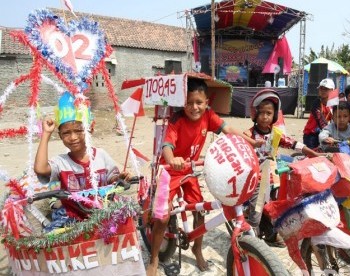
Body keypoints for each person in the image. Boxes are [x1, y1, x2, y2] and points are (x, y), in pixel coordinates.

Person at [147, 78, 261, 275]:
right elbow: (167, 146)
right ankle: (155, 257)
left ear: (207, 102)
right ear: (183, 103)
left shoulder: (208, 115)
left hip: (191, 170)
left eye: (199, 102)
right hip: (172, 170)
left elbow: (229, 130)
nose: (194, 107)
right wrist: (172, 159)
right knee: (163, 217)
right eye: (189, 103)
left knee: (200, 209)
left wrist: (250, 142)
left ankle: (197, 248)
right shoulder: (177, 119)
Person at [34, 92, 131, 228]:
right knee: (56, 240)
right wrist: (46, 134)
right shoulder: (61, 162)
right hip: (71, 215)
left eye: (79, 130)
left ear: (89, 129)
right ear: (60, 136)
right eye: (66, 133)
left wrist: (119, 178)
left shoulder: (101, 155)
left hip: (102, 212)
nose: (73, 137)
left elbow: (112, 179)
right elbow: (40, 169)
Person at [243, 89, 324, 247]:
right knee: (257, 212)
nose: (265, 117)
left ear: (274, 115)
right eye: (262, 113)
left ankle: (271, 235)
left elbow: (294, 143)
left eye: (269, 113)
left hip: (273, 178)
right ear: (255, 113)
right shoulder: (248, 135)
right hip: (257, 179)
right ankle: (250, 241)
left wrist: (312, 153)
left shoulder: (276, 134)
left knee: (274, 208)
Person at [303, 78, 334, 149]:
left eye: (326, 89)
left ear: (332, 90)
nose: (323, 91)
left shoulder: (333, 105)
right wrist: (330, 133)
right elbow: (320, 120)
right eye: (321, 89)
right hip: (311, 135)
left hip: (323, 134)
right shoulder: (316, 103)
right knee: (312, 157)